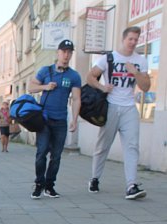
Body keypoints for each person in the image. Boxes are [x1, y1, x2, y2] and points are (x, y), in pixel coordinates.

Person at [86, 26, 150, 200]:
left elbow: (146, 87)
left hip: (130, 107)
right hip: (111, 106)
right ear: (123, 39)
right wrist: (102, 87)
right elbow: (90, 77)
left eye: (136, 40)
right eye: (130, 39)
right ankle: (94, 178)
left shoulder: (141, 61)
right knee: (102, 147)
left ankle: (131, 185)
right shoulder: (109, 58)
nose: (133, 42)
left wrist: (135, 72)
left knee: (132, 146)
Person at [28, 39, 81, 199]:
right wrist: (45, 87)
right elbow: (31, 87)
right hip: (44, 119)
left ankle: (50, 186)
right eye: (63, 51)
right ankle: (39, 184)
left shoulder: (73, 75)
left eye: (69, 52)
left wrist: (75, 119)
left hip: (60, 121)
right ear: (58, 53)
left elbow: (77, 98)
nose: (66, 55)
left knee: (56, 156)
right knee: (41, 152)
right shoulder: (46, 71)